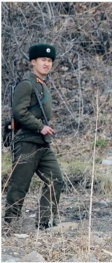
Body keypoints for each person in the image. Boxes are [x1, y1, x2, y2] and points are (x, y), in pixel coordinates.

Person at [4, 43, 64, 230]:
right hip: (26, 141)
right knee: (19, 185)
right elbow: (19, 112)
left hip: (41, 143)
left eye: (49, 60)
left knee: (56, 179)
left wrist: (43, 130)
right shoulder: (27, 84)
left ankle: (44, 222)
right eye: (43, 60)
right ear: (33, 62)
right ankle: (10, 224)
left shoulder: (42, 86)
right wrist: (40, 127)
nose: (47, 64)